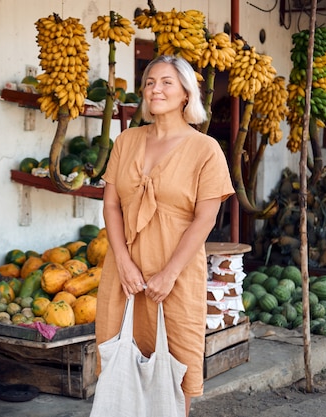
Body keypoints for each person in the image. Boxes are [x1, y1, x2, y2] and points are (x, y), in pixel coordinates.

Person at [94, 54, 235, 416]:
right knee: (120, 359)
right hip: (125, 274)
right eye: (150, 82)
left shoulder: (205, 149)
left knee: (176, 368)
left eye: (166, 82)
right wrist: (124, 263)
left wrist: (169, 273)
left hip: (177, 274)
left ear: (186, 93)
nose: (156, 89)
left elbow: (205, 218)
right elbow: (111, 206)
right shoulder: (126, 141)